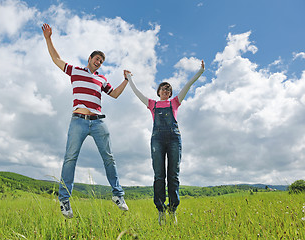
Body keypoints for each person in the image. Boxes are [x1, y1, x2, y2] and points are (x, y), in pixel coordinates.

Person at [42, 23, 129, 219]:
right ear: (89, 59)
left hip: (98, 122)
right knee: (70, 158)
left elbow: (114, 94)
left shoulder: (102, 79)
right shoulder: (75, 71)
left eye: (101, 61)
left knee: (109, 158)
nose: (98, 62)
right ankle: (64, 200)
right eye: (96, 59)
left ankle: (118, 195)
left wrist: (126, 81)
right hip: (78, 121)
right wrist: (48, 38)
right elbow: (57, 59)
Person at [125, 60, 205, 225]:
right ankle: (161, 211)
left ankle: (173, 209)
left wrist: (200, 72)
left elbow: (189, 85)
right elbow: (136, 92)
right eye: (163, 88)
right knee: (159, 176)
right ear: (158, 91)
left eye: (168, 89)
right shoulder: (152, 104)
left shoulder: (175, 102)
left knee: (173, 176)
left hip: (174, 139)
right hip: (157, 140)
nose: (166, 90)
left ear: (170, 93)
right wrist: (129, 78)